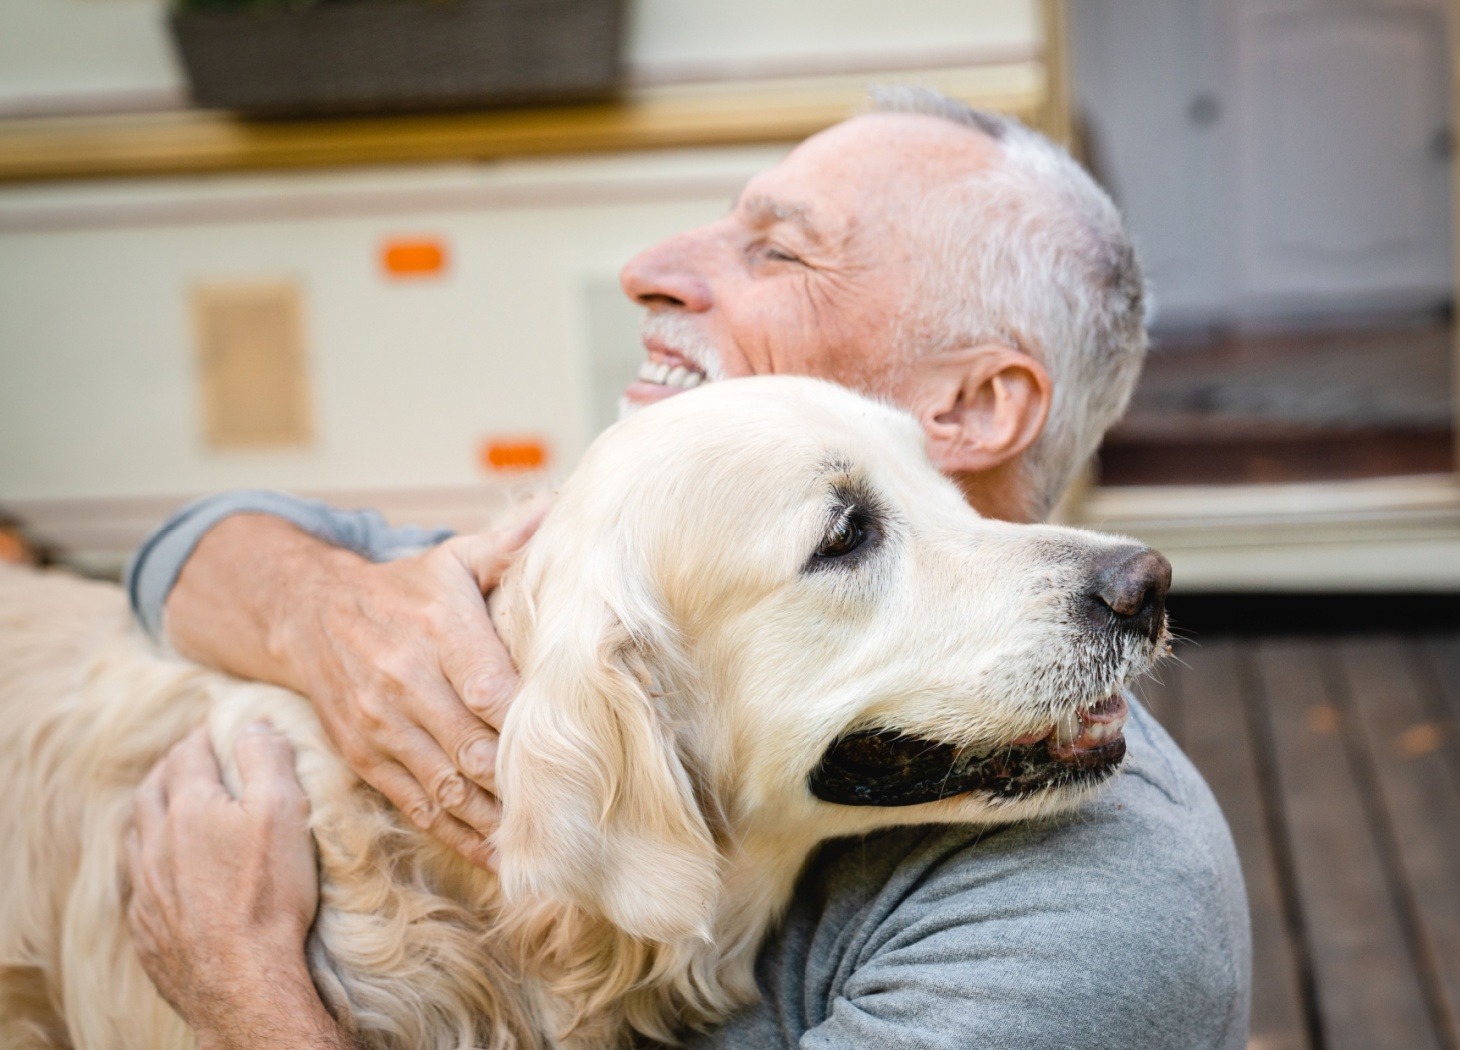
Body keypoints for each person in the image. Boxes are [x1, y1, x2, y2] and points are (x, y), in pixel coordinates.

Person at [122, 89, 1251, 1049]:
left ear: (967, 406)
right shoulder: (635, 565)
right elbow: (188, 549)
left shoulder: (1091, 921)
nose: (648, 269)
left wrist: (247, 992)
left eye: (776, 249)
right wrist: (330, 616)